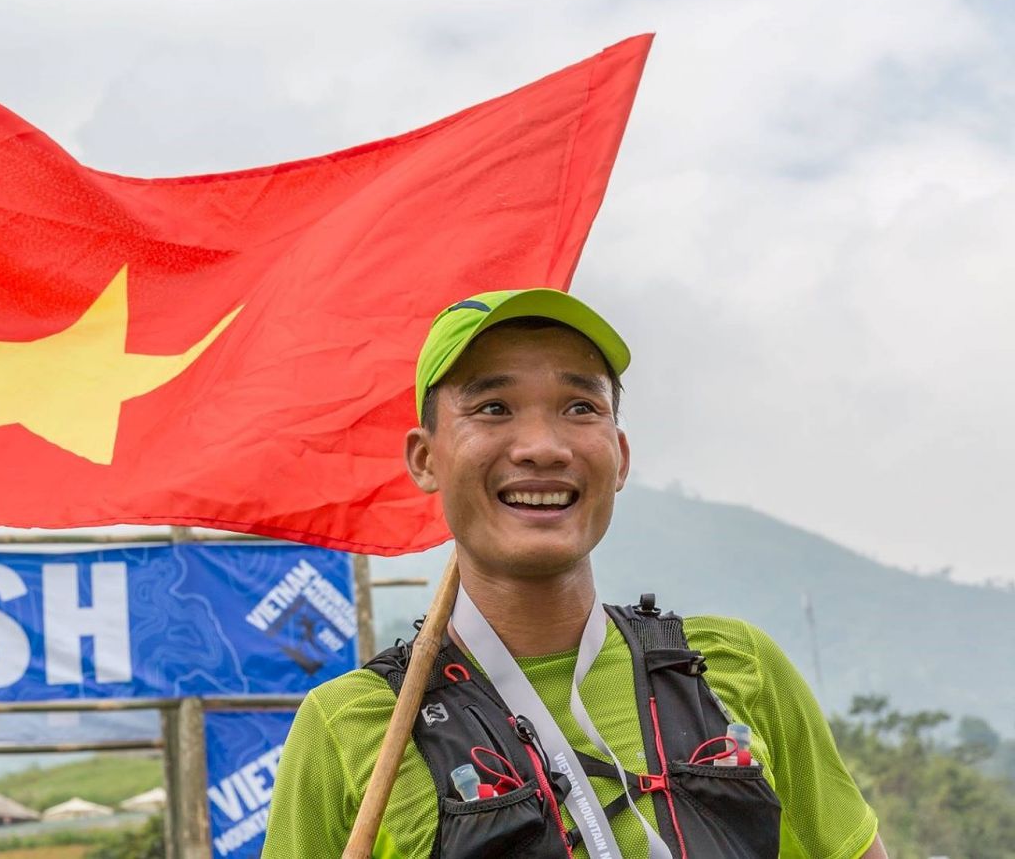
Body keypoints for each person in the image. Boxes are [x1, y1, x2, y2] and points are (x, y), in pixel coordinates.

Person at [263, 289, 887, 858]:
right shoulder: (354, 726)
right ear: (426, 459)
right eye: (494, 407)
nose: (543, 445)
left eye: (580, 406)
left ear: (618, 456)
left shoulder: (734, 670)